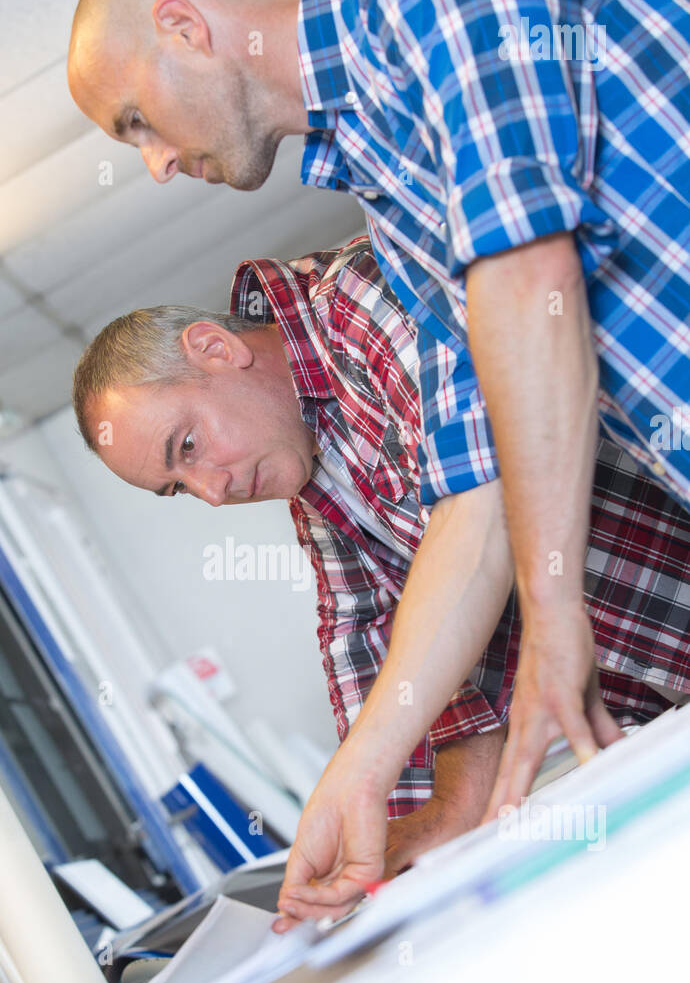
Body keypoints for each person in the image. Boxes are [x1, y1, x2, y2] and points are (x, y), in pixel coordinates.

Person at [66, 0, 690, 905]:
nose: (152, 163)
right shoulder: (394, 215)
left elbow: (530, 272)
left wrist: (556, 613)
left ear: (182, 26)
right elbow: (472, 496)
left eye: (135, 119)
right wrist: (359, 774)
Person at [71, 237, 690, 926]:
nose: (212, 494)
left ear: (217, 349)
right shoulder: (311, 471)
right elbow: (367, 641)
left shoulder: (362, 299)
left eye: (187, 447)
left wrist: (362, 772)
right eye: (179, 488)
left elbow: (485, 508)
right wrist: (397, 841)